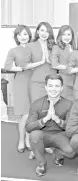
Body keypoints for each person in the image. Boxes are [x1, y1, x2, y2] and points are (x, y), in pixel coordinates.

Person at [25, 74, 75, 176]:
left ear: (61, 88)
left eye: (57, 86)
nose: (53, 89)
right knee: (34, 136)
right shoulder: (36, 104)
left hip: (61, 135)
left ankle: (58, 153)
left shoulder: (69, 104)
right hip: (43, 136)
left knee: (72, 151)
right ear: (46, 87)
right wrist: (45, 119)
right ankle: (41, 164)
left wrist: (57, 120)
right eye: (50, 86)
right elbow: (28, 127)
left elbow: (71, 127)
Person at [4, 25, 33, 153]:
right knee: (25, 114)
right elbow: (7, 66)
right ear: (16, 37)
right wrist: (22, 68)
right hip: (21, 81)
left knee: (33, 113)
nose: (23, 37)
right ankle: (22, 140)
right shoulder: (13, 50)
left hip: (35, 81)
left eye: (25, 34)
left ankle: (29, 139)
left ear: (29, 36)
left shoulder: (34, 49)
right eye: (20, 34)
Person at [27, 22, 57, 102]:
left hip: (52, 83)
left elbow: (60, 64)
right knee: (37, 109)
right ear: (37, 31)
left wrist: (49, 61)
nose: (44, 33)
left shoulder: (54, 46)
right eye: (42, 30)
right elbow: (25, 65)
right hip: (36, 83)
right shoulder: (30, 46)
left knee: (52, 110)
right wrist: (41, 62)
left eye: (47, 31)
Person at [51, 25, 75, 101]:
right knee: (64, 103)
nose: (66, 37)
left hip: (75, 80)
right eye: (64, 34)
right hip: (64, 80)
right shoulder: (57, 47)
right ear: (60, 36)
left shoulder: (74, 47)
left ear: (72, 36)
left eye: (69, 34)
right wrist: (68, 67)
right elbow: (54, 65)